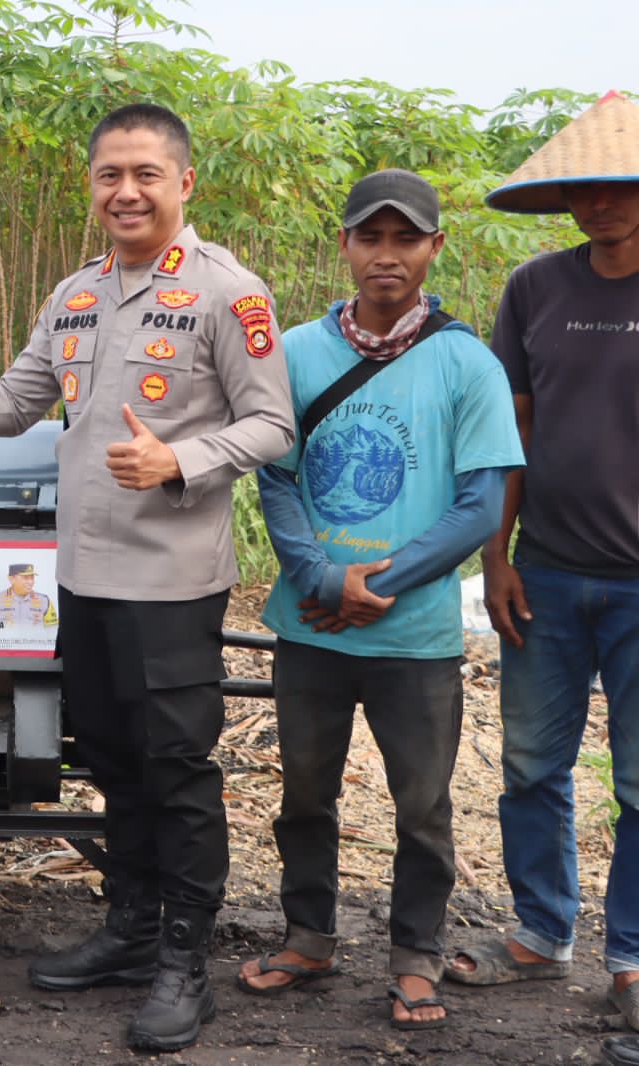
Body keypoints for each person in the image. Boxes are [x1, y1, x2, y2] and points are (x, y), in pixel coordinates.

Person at [0, 103, 294, 1051]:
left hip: (172, 582)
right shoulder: (74, 294)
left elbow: (274, 424)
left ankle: (186, 962)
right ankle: (130, 929)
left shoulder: (231, 294)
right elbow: (16, 399)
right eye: (110, 175)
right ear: (93, 186)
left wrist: (181, 462)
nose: (127, 191)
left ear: (184, 183)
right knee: (111, 759)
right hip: (87, 579)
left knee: (177, 773)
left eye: (147, 174)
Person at [240, 170, 522, 1030]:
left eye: (407, 239)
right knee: (303, 795)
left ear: (435, 248)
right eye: (372, 237)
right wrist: (324, 580)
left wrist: (377, 586)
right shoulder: (295, 352)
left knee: (424, 809)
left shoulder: (466, 362)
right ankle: (308, 934)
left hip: (417, 637)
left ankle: (414, 956)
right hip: (312, 626)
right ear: (347, 247)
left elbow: (481, 502)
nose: (387, 256)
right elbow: (276, 478)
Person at [447, 91, 639, 1031]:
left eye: (618, 186)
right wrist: (498, 554)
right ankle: (539, 933)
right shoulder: (536, 289)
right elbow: (510, 429)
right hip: (549, 571)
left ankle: (633, 955)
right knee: (531, 766)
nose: (599, 203)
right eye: (583, 190)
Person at [0, 563, 57, 627]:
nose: (30, 582)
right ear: (11, 579)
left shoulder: (44, 600)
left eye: (32, 578)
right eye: (25, 578)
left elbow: (53, 629)